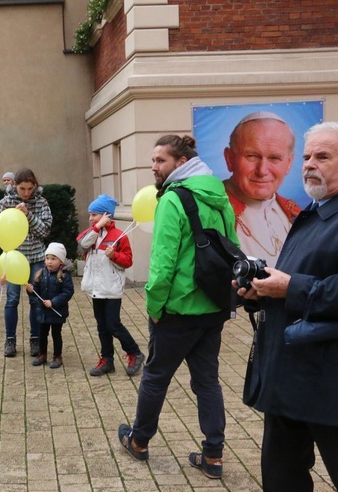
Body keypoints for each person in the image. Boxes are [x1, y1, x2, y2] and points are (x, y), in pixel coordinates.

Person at [117, 135, 237, 480]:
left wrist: (155, 307)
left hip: (177, 310)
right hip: (213, 307)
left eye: (160, 161)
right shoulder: (219, 196)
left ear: (181, 163)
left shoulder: (172, 199)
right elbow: (235, 248)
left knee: (155, 376)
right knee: (207, 381)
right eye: (154, 161)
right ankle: (213, 455)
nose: (154, 167)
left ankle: (139, 441)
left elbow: (162, 263)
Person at [236, 122, 338, 489]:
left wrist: (291, 288)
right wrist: (263, 289)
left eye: (323, 156)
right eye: (308, 156)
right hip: (287, 376)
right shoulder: (311, 212)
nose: (311, 164)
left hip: (327, 384)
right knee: (281, 477)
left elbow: (304, 286)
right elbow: (299, 278)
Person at [78, 194, 145, 377]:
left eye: (94, 215)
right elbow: (82, 244)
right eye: (90, 215)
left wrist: (114, 256)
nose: (90, 218)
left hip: (111, 289)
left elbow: (128, 261)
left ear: (106, 215)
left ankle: (135, 353)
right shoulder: (92, 233)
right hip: (96, 290)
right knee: (102, 326)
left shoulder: (119, 236)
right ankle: (107, 360)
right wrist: (97, 227)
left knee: (113, 325)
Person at [223, 111, 301, 262]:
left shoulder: (293, 212)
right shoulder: (209, 211)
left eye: (274, 158)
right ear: (230, 159)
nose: (262, 170)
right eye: (251, 156)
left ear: (289, 163)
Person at [0, 168, 52, 358]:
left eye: (29, 188)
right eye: (22, 188)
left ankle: (35, 339)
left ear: (34, 186)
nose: (26, 193)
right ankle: (10, 340)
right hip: (13, 259)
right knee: (12, 300)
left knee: (35, 300)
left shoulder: (41, 202)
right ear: (15, 186)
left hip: (35, 258)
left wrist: (28, 215)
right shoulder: (5, 202)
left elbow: (44, 231)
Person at [26, 242, 74, 369]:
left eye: (53, 259)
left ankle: (57, 356)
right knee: (42, 333)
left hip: (57, 311)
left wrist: (53, 302)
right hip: (43, 311)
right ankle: (42, 354)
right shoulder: (41, 273)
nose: (49, 262)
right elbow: (36, 290)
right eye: (47, 258)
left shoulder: (64, 275)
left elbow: (67, 292)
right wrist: (30, 290)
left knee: (56, 334)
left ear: (61, 261)